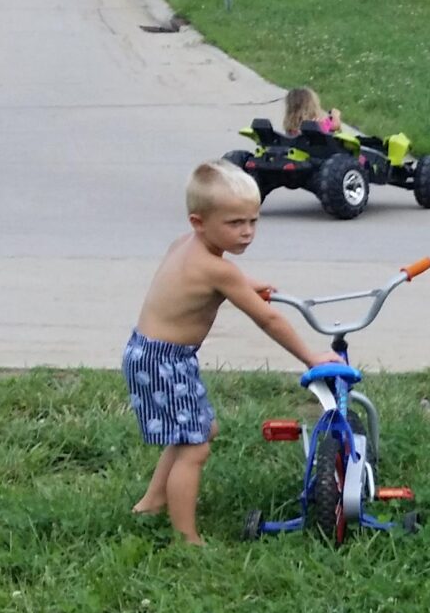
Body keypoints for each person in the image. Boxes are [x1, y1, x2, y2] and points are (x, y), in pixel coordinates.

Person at [124, 161, 329, 545]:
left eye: (253, 220)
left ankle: (150, 504)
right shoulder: (218, 270)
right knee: (195, 447)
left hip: (155, 355)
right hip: (163, 361)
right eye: (235, 223)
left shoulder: (187, 246)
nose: (247, 231)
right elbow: (267, 319)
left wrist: (247, 284)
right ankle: (187, 538)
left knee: (199, 430)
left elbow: (214, 275)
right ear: (198, 222)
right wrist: (311, 357)